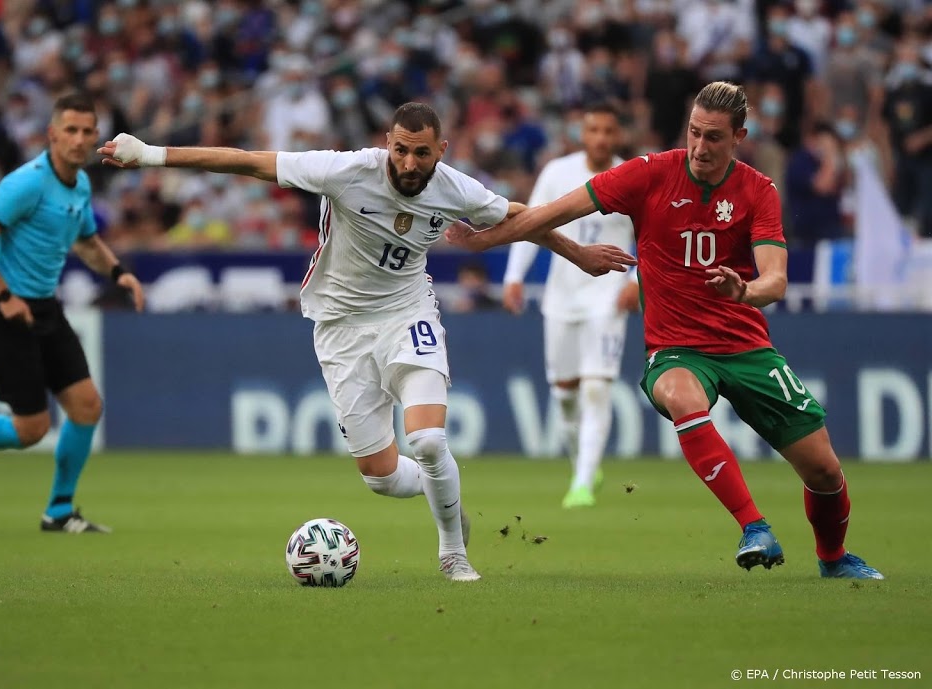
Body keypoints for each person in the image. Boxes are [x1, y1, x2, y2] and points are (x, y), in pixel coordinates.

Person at [98, 102, 635, 581]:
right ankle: (443, 494)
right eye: (399, 150)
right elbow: (246, 160)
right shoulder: (346, 170)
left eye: (421, 153)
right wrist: (150, 154)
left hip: (408, 313)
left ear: (440, 150)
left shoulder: (456, 187)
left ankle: (454, 551)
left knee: (426, 441)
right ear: (387, 143)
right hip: (340, 327)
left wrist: (580, 254)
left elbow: (525, 217)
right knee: (381, 478)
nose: (407, 163)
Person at [447, 82, 883, 580]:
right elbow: (553, 212)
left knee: (824, 470)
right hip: (676, 349)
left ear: (739, 136)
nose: (700, 147)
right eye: (695, 133)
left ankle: (833, 559)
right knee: (680, 395)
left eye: (714, 138)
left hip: (747, 347)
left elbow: (776, 280)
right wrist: (487, 242)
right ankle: (753, 526)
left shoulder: (758, 190)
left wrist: (745, 292)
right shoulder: (650, 173)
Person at [0, 93, 145, 534]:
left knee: (87, 406)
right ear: (51, 134)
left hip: (43, 308)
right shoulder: (28, 183)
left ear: (96, 136)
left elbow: (87, 243)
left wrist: (119, 273)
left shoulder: (80, 185)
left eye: (86, 131)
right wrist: (2, 297)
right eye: (69, 130)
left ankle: (58, 512)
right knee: (30, 428)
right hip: (4, 310)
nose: (78, 139)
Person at [502, 102, 638, 509]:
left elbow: (653, 238)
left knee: (596, 387)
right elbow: (530, 223)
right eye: (593, 129)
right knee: (564, 394)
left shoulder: (633, 178)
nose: (600, 137)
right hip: (561, 298)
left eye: (608, 131)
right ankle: (584, 463)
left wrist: (636, 281)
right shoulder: (558, 173)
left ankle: (580, 484)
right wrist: (514, 276)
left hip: (608, 298)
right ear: (582, 133)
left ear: (618, 136)